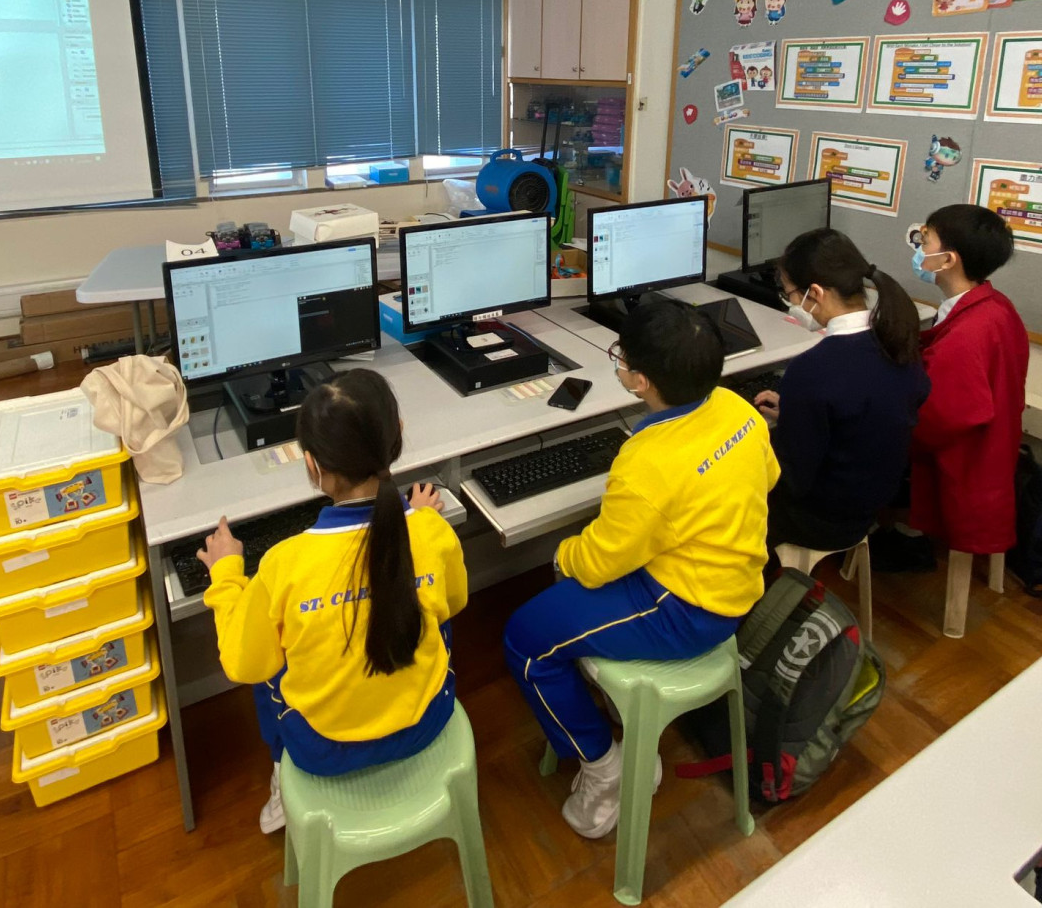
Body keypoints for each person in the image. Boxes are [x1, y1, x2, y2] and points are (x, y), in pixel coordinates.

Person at [503, 302, 778, 839]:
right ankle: (606, 709)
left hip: (689, 608)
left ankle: (603, 766)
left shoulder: (646, 460)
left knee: (525, 639)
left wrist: (561, 556)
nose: (619, 365)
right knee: (561, 609)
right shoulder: (735, 407)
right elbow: (767, 477)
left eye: (621, 357)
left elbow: (598, 562)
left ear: (642, 381)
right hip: (739, 580)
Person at [196, 369, 466, 834]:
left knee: (268, 656)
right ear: (397, 436)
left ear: (312, 465)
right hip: (427, 720)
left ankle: (281, 773)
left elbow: (241, 663)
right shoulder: (430, 532)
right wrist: (419, 520)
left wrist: (225, 574)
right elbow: (456, 601)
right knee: (429, 608)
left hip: (324, 750)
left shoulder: (284, 564)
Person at [753, 229, 929, 557]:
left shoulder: (812, 369)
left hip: (820, 518)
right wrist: (797, 412)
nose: (791, 303)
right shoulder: (896, 342)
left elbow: (790, 478)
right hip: (868, 504)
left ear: (815, 293)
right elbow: (862, 410)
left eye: (790, 293)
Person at [875, 204, 1029, 571]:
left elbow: (935, 421)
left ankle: (884, 539)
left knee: (862, 443)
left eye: (924, 240)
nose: (918, 248)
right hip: (991, 448)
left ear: (947, 260)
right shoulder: (995, 306)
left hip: (965, 462)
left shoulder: (967, 335)